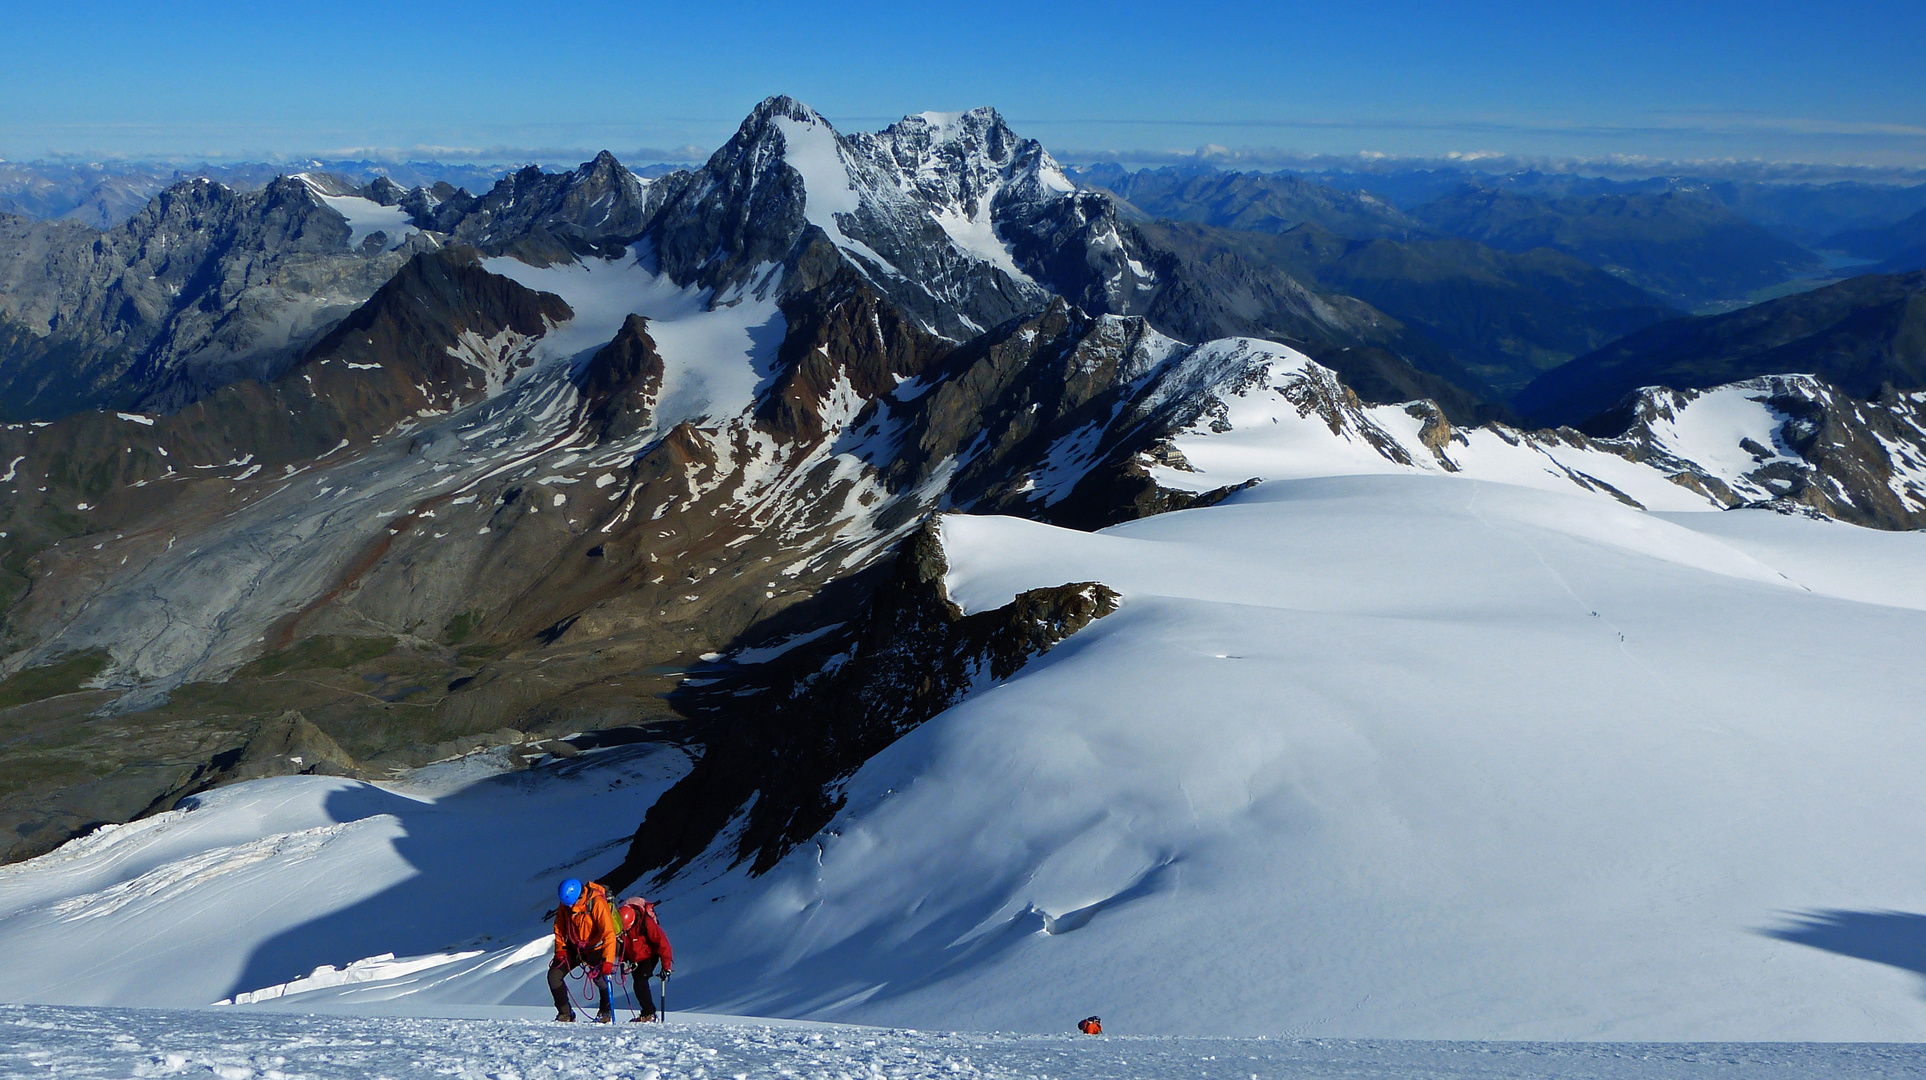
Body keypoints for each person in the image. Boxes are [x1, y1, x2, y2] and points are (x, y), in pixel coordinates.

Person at [549, 878, 618, 1023]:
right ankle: (565, 1013)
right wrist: (560, 949)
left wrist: (608, 961)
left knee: (601, 979)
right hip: (575, 947)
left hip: (596, 947)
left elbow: (609, 933)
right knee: (554, 976)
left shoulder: (597, 902)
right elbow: (559, 926)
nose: (570, 907)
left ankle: (605, 1012)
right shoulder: (566, 904)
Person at [615, 895, 674, 1022]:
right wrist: (624, 960)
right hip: (634, 957)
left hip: (649, 956)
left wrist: (666, 967)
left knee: (640, 983)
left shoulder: (646, 923)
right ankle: (647, 1013)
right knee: (638, 985)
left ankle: (649, 1014)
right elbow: (621, 944)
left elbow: (663, 944)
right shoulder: (621, 922)